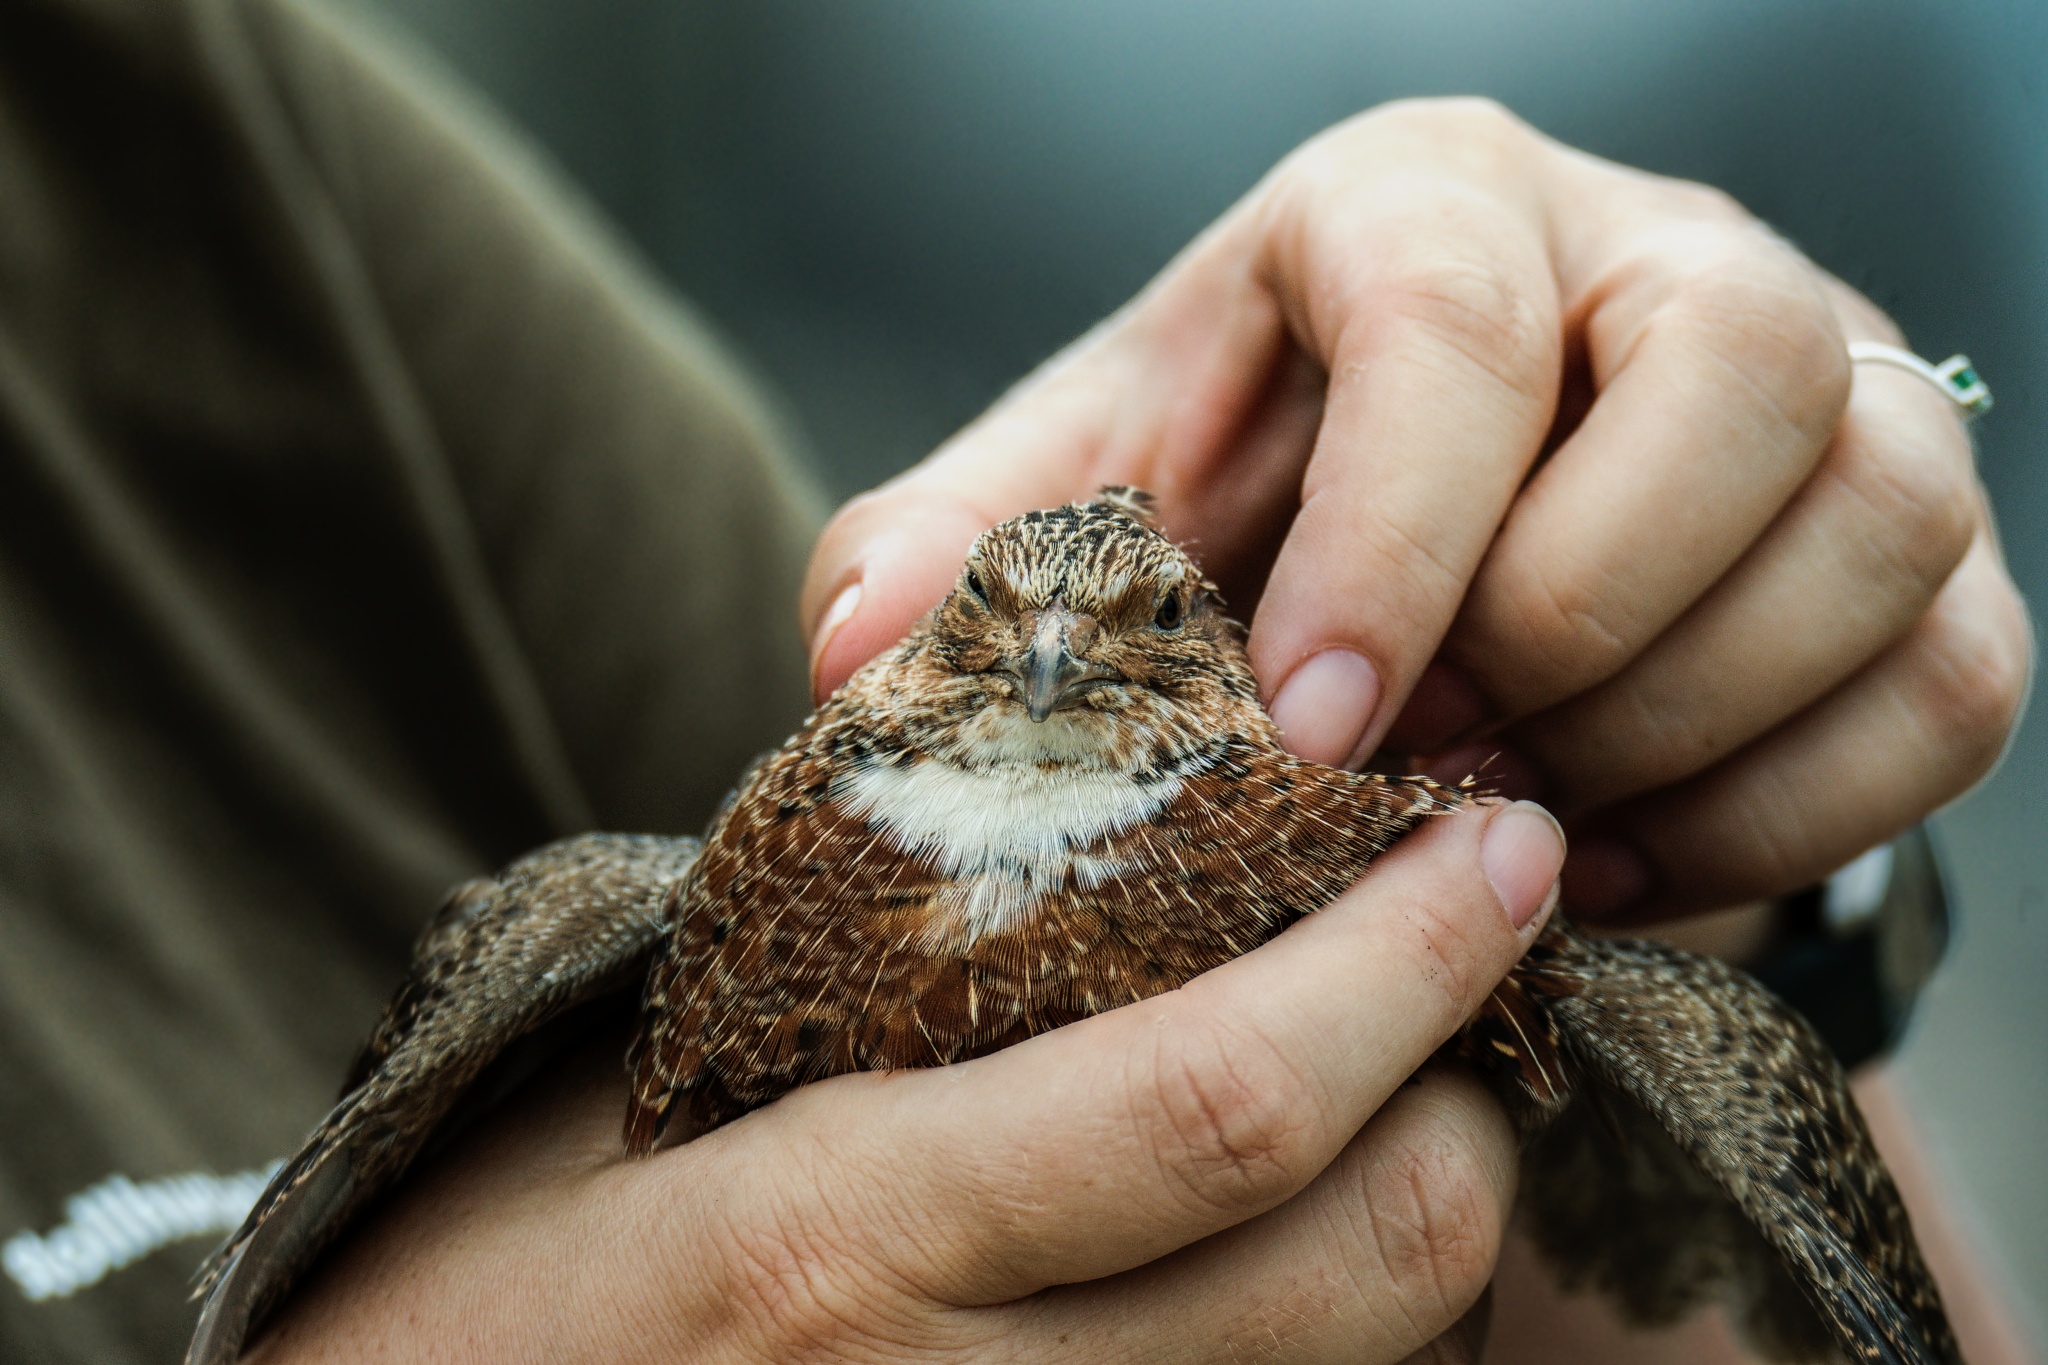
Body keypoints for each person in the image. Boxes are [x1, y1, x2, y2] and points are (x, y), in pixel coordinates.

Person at [0, 0, 2027, 1361]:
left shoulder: (204, 162)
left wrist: (1696, 789)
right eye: (1003, 631)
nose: (1047, 658)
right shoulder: (699, 885)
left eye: (1116, 637)